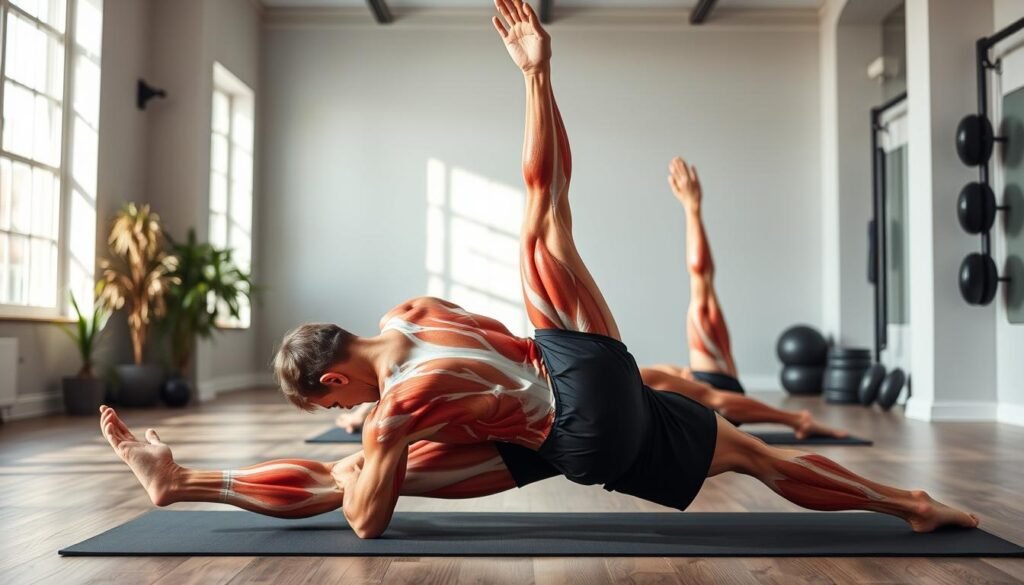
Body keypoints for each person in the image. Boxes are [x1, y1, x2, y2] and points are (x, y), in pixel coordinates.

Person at [100, 0, 978, 539]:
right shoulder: (415, 307)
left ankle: (184, 482)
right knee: (545, 234)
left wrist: (378, 453)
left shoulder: (392, 409)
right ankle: (912, 502)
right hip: (578, 388)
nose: (344, 412)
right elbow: (515, 324)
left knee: (345, 483)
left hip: (578, 429)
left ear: (333, 375)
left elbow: (368, 524)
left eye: (332, 402)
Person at [333, 156, 847, 440]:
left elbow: (702, 286)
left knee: (701, 303)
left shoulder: (709, 383)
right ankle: (795, 421)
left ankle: (799, 421)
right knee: (697, 309)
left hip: (702, 396)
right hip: (667, 389)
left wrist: (693, 208)